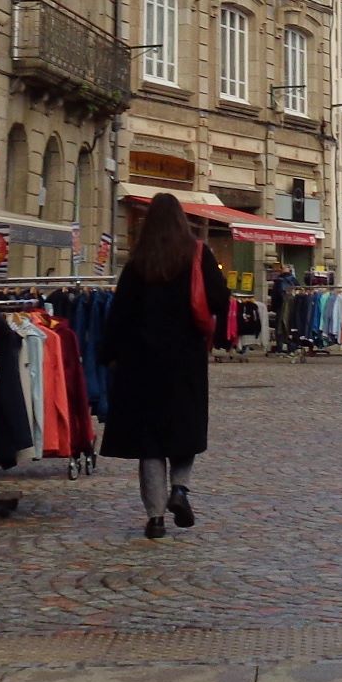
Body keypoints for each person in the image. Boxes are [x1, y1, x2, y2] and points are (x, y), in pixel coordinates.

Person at [100, 193, 230, 539]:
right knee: (184, 430)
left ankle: (155, 518)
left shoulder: (138, 262)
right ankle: (181, 490)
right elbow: (220, 298)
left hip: (141, 364)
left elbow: (120, 315)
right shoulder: (198, 255)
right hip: (185, 359)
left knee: (150, 443)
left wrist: (107, 355)